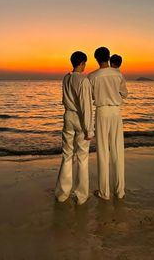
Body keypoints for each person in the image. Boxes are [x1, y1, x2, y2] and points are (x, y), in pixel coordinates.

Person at [88, 47, 128, 200]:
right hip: (116, 112)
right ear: (109, 57)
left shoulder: (92, 76)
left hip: (102, 112)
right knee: (118, 151)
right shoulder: (118, 74)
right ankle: (120, 191)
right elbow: (124, 93)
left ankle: (104, 193)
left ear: (96, 59)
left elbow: (90, 95)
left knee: (103, 151)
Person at [55, 51, 94, 205]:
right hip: (79, 117)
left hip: (68, 116)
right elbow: (86, 106)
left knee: (66, 155)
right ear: (82, 63)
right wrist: (89, 129)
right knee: (82, 157)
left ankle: (62, 194)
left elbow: (64, 98)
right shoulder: (83, 81)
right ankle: (81, 196)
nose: (85, 65)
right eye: (85, 63)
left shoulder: (66, 78)